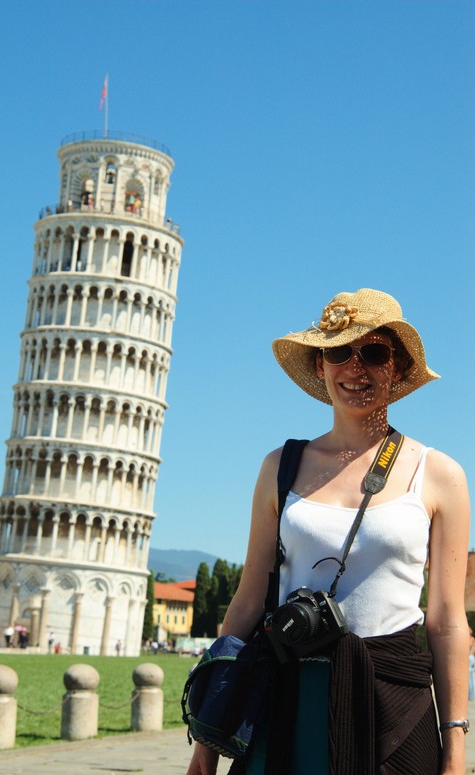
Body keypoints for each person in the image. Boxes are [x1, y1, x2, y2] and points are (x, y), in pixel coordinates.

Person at [186, 289, 470, 775]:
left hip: (392, 704)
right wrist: (206, 742)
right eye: (339, 352)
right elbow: (248, 602)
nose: (355, 368)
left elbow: (445, 622)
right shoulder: (280, 466)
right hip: (284, 696)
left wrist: (455, 749)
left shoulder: (440, 474)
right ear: (320, 366)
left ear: (398, 368)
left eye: (374, 353)